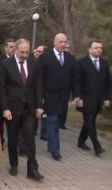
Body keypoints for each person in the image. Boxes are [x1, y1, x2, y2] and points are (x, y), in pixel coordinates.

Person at [0, 38, 44, 181]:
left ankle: (33, 170)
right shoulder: (6, 64)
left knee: (30, 139)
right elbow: (2, 88)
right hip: (12, 109)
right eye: (21, 52)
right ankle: (14, 164)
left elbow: (38, 85)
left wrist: (39, 106)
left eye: (27, 52)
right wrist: (5, 108)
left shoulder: (34, 63)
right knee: (12, 139)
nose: (24, 55)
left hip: (29, 108)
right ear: (15, 50)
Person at [38, 33, 76, 161]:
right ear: (54, 42)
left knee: (59, 122)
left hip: (64, 97)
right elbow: (40, 79)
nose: (63, 44)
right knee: (52, 121)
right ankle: (55, 150)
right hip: (49, 96)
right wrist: (40, 97)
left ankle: (51, 145)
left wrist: (76, 95)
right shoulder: (45, 58)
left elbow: (74, 78)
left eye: (65, 42)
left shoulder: (70, 58)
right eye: (60, 42)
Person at [73, 40, 111, 156]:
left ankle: (80, 141)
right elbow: (76, 82)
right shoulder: (81, 63)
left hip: (98, 99)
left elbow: (107, 83)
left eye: (100, 48)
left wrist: (107, 98)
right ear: (90, 49)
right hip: (85, 98)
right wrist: (77, 97)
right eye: (96, 47)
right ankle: (97, 146)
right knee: (89, 121)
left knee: (89, 121)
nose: (98, 49)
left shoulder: (104, 63)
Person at [0, 38, 16, 150]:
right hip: (0, 96)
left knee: (13, 123)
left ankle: (14, 142)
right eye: (10, 47)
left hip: (13, 97)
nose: (13, 49)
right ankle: (0, 140)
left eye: (14, 47)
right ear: (5, 48)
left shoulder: (17, 60)